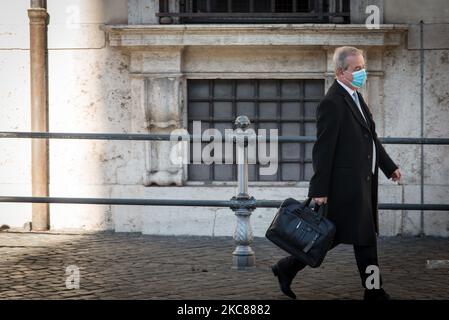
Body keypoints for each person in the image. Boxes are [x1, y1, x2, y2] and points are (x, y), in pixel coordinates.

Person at [271, 46, 402, 300]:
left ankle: (286, 267)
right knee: (362, 239)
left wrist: (389, 167)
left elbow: (370, 138)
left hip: (361, 183)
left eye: (363, 67)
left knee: (332, 238)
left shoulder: (355, 96)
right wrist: (319, 190)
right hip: (343, 187)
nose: (363, 72)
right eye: (357, 69)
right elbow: (323, 148)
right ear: (340, 72)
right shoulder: (332, 102)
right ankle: (374, 292)